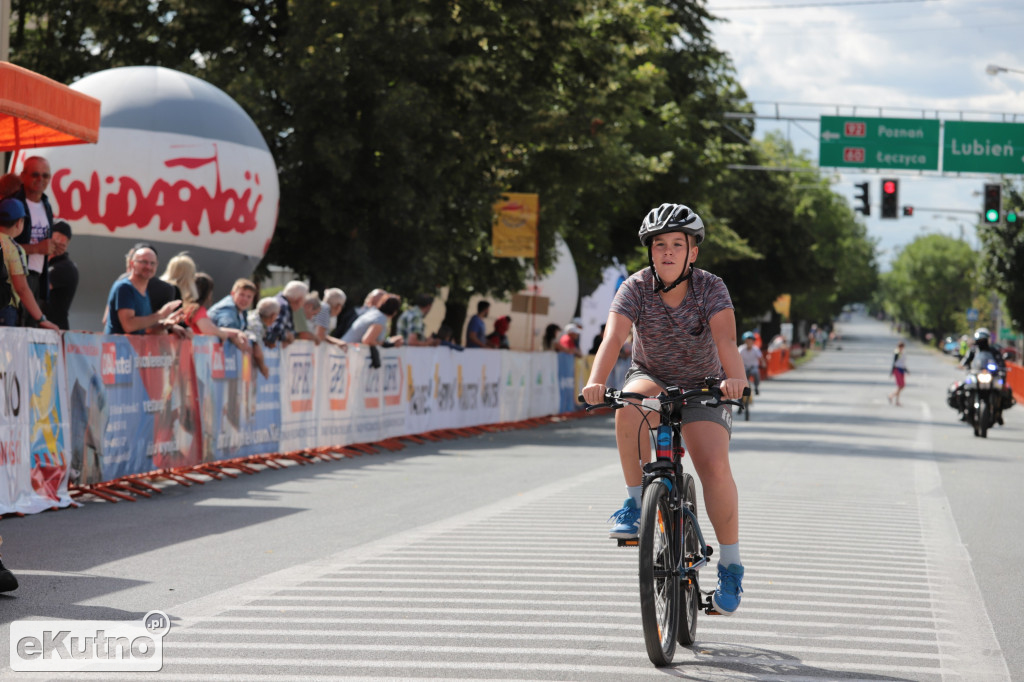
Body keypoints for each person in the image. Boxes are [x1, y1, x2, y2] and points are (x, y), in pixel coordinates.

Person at [581, 203, 747, 616]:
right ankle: (636, 501)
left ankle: (730, 564)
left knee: (713, 465)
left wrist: (736, 379)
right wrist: (594, 381)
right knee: (630, 406)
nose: (668, 252)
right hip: (651, 371)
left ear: (693, 252)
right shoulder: (634, 287)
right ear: (650, 251)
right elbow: (613, 337)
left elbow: (726, 341)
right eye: (660, 245)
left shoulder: (711, 287)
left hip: (705, 383)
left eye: (678, 244)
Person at [0, 198, 59, 330]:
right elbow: (21, 288)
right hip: (4, 310)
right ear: (19, 223)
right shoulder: (14, 249)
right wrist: (41, 318)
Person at [103, 246, 183, 335]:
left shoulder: (144, 292)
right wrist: (160, 314)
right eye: (144, 262)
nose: (148, 267)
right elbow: (129, 325)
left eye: (152, 263)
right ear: (132, 263)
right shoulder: (124, 287)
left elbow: (145, 329)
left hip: (133, 348)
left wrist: (166, 325)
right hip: (117, 347)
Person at [14, 156, 54, 309]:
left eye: (45, 175)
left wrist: (53, 247)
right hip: (15, 277)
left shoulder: (46, 205)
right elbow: (3, 247)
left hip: (38, 276)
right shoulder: (12, 205)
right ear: (23, 176)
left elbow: (41, 242)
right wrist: (37, 248)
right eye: (35, 174)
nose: (40, 179)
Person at [181, 273, 249, 349]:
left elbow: (213, 328)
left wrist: (236, 332)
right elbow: (208, 329)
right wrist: (222, 334)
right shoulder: (197, 309)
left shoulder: (187, 307)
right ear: (208, 293)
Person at [46, 220, 78, 329]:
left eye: (64, 240)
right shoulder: (45, 262)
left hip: (53, 329)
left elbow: (38, 288)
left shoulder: (65, 268)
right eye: (57, 237)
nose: (60, 243)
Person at [268, 280, 308, 347]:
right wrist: (287, 336)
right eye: (304, 300)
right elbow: (274, 333)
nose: (302, 304)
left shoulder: (279, 301)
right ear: (299, 299)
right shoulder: (284, 306)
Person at [737, 331, 766, 395]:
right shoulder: (741, 349)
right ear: (745, 341)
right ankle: (739, 392)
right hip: (744, 367)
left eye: (751, 340)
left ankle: (756, 387)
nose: (749, 342)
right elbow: (736, 358)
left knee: (756, 373)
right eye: (747, 340)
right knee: (740, 378)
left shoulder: (756, 349)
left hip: (753, 367)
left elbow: (761, 358)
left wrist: (763, 364)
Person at [887, 341, 908, 406]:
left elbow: (903, 363)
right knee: (900, 386)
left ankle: (894, 398)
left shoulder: (903, 353)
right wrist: (891, 372)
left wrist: (907, 370)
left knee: (902, 386)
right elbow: (894, 363)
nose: (902, 348)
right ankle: (893, 397)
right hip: (897, 370)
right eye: (900, 347)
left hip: (902, 370)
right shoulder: (897, 353)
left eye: (902, 347)